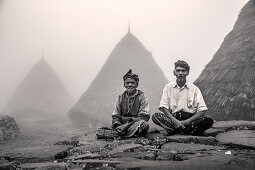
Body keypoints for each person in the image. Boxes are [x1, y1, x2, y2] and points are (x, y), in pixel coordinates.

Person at [152, 60, 213, 136]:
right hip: (173, 119)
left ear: (187, 72)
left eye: (183, 71)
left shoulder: (194, 89)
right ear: (174, 72)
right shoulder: (168, 87)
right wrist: (175, 121)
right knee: (155, 116)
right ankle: (187, 131)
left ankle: (175, 130)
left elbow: (202, 110)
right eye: (178, 71)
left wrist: (186, 122)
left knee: (208, 121)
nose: (180, 73)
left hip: (190, 120)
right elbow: (164, 107)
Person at [96, 69, 150, 139]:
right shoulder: (120, 98)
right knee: (99, 130)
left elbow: (144, 116)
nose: (129, 85)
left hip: (135, 123)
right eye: (127, 83)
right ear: (124, 84)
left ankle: (119, 134)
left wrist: (127, 125)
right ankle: (123, 133)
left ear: (137, 84)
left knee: (144, 124)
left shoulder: (142, 97)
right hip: (122, 124)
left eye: (132, 83)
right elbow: (116, 115)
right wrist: (117, 124)